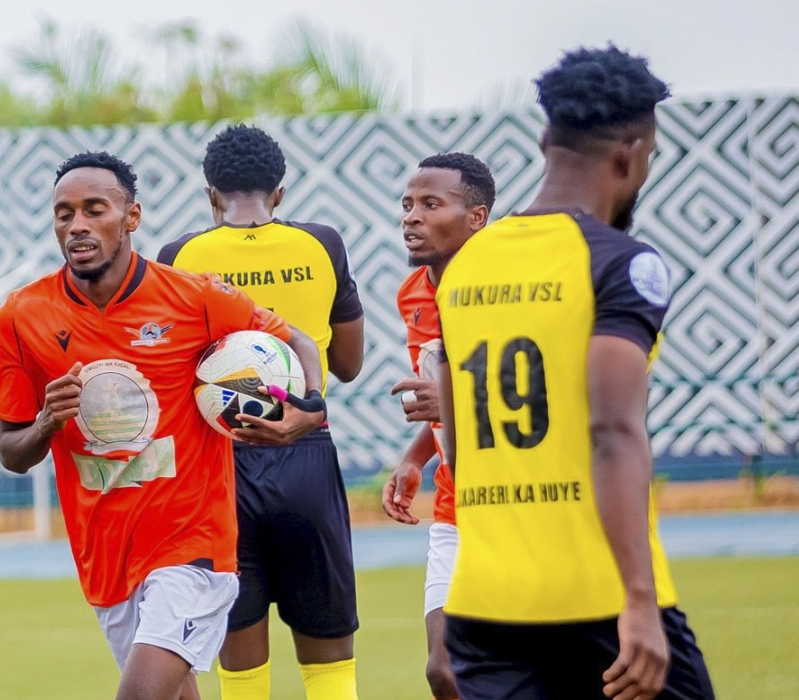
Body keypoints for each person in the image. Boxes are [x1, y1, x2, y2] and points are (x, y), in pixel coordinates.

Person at [0, 151, 329, 700]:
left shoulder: (196, 297)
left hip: (192, 544)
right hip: (105, 554)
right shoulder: (21, 317)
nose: (77, 224)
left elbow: (301, 342)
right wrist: (47, 423)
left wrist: (309, 408)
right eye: (64, 213)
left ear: (132, 217)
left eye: (95, 209)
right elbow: (11, 451)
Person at [434, 46, 715, 700]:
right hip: (599, 598)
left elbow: (460, 447)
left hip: (484, 601)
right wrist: (639, 602)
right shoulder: (621, 263)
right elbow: (612, 431)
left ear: (543, 141)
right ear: (630, 151)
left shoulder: (464, 267)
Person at [158, 124, 365, 700]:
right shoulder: (322, 243)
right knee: (329, 660)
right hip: (304, 449)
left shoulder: (180, 256)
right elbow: (348, 363)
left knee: (241, 666)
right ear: (279, 192)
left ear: (210, 193)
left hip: (220, 467)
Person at [380, 152, 495, 700]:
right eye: (407, 205)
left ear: (477, 216)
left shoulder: (506, 290)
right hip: (453, 501)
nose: (411, 217)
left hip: (516, 501)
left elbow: (538, 397)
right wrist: (415, 457)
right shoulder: (412, 294)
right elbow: (443, 402)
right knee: (443, 672)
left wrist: (451, 403)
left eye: (431, 204)